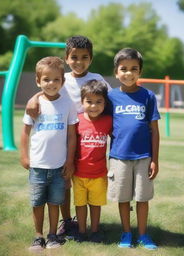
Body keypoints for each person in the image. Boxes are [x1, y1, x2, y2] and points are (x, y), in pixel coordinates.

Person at [25, 35, 111, 239]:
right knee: (64, 183)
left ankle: (91, 225)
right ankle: (68, 221)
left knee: (87, 182)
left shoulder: (98, 79)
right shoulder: (62, 79)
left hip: (89, 140)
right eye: (74, 57)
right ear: (67, 57)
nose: (79, 62)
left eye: (84, 57)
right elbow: (48, 91)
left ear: (91, 58)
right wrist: (34, 97)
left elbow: (111, 100)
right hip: (64, 139)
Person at [20, 56, 78, 250]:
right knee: (37, 203)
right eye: (46, 79)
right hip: (37, 165)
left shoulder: (68, 104)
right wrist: (24, 155)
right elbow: (25, 131)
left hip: (59, 166)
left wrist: (69, 161)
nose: (51, 83)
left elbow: (71, 136)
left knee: (54, 202)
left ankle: (53, 235)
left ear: (62, 81)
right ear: (38, 81)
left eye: (56, 79)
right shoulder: (34, 105)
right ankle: (38, 236)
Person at [107, 48, 160, 250]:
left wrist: (155, 159)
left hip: (144, 156)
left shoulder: (148, 96)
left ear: (140, 72)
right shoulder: (110, 97)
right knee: (122, 197)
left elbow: (154, 131)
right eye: (123, 69)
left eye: (133, 69)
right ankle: (127, 233)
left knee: (142, 197)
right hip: (118, 156)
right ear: (116, 72)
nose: (128, 73)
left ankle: (144, 234)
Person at [73, 80, 112, 243]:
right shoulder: (77, 120)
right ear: (82, 102)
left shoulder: (108, 121)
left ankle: (95, 230)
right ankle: (81, 231)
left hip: (99, 174)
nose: (94, 106)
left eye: (98, 102)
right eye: (89, 101)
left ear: (105, 103)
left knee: (96, 204)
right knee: (80, 204)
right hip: (78, 173)